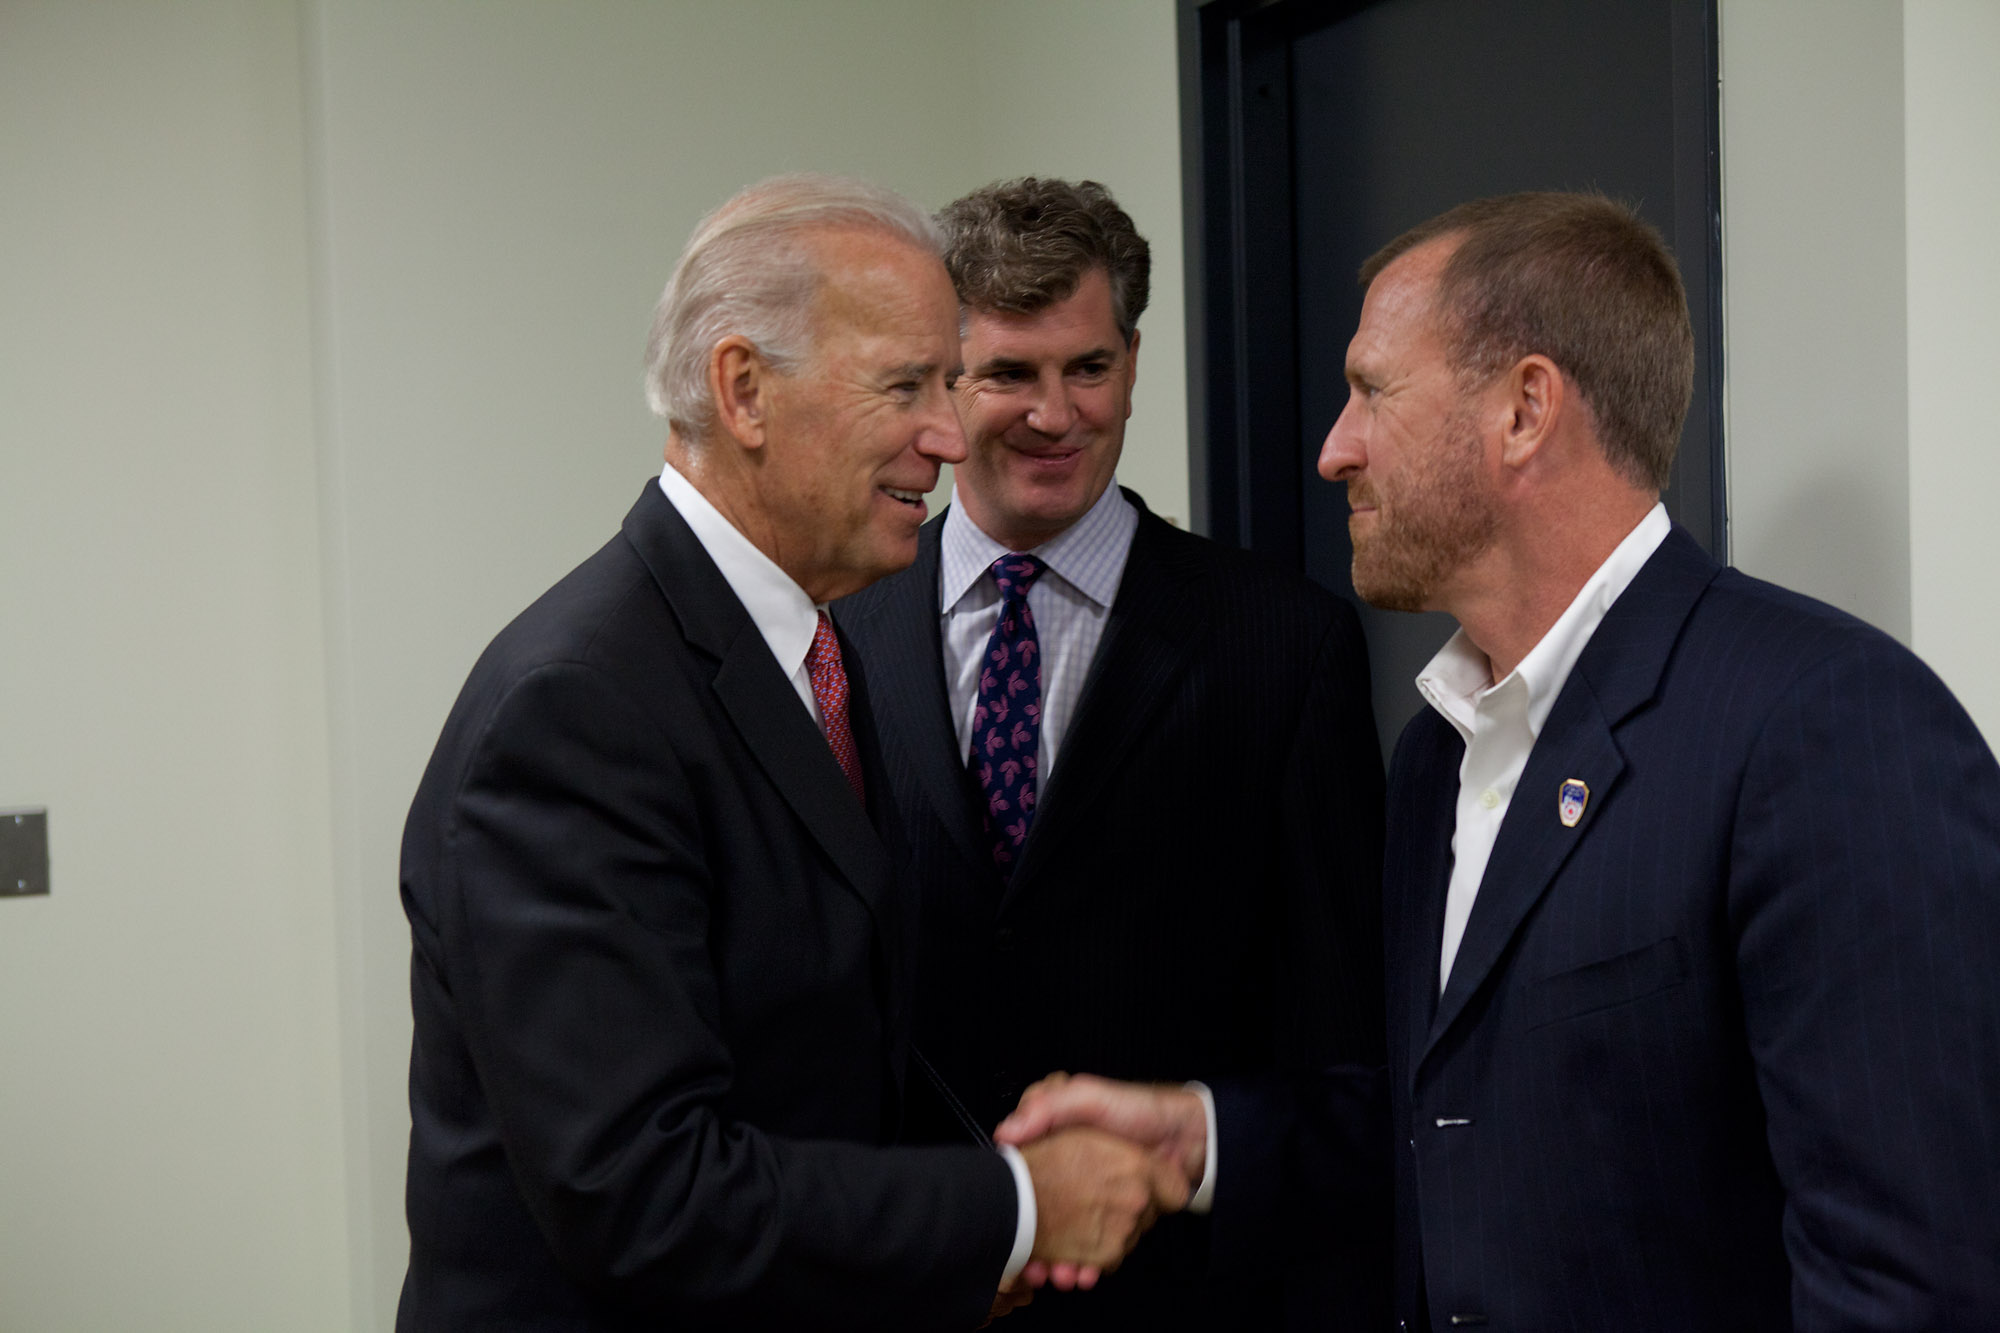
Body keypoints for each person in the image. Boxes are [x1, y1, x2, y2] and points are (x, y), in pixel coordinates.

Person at [997, 191, 2000, 1330]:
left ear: (1525, 408)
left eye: (1372, 389)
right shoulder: (1437, 756)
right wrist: (1198, 1137)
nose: (1333, 448)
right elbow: (1461, 1135)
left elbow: (1914, 1276)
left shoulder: (1826, 726)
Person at [396, 173, 1189, 1332]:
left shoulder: (808, 643)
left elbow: (823, 1051)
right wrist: (1014, 1206)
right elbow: (645, 1197)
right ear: (744, 390)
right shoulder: (577, 708)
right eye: (906, 384)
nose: (946, 430)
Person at [834, 177, 1389, 1329]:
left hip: (1187, 1296)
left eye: (1085, 368)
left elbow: (1342, 1046)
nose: (1053, 414)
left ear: (1132, 361)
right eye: (1007, 375)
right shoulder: (836, 633)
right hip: (907, 1285)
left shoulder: (1282, 645)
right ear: (943, 380)